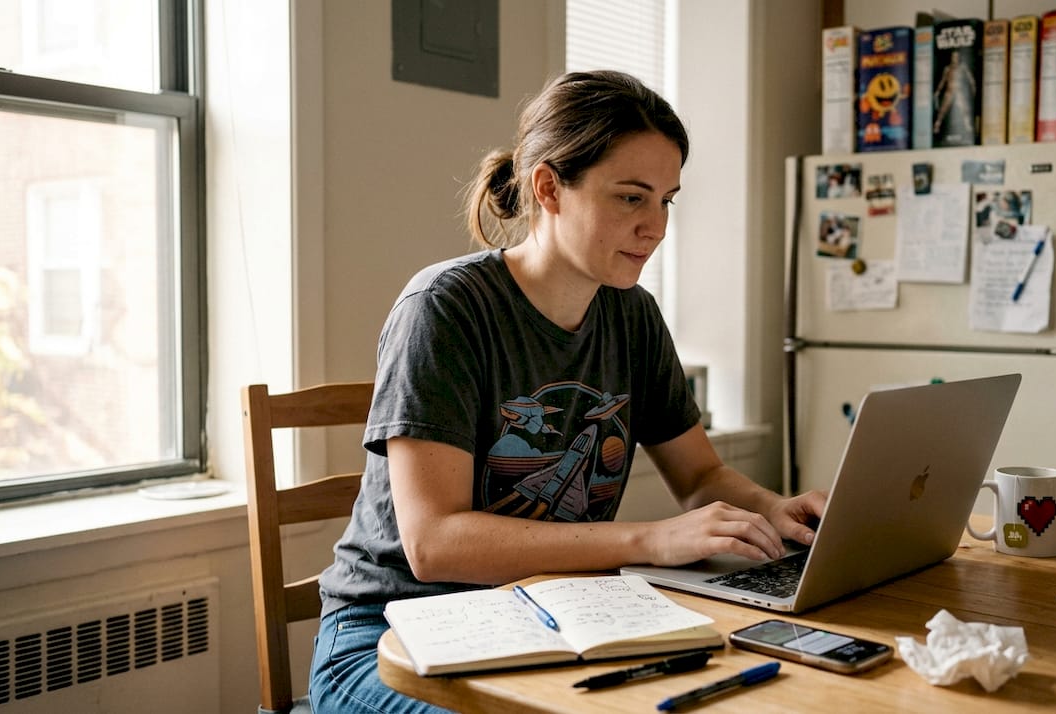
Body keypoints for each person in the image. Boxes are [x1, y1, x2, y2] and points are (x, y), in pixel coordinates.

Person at [308, 69, 828, 713]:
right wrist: (653, 540)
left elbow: (700, 477)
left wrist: (772, 512)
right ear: (549, 187)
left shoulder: (631, 314)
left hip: (557, 619)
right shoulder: (444, 308)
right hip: (389, 640)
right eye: (632, 198)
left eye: (668, 199)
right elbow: (434, 542)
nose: (657, 226)